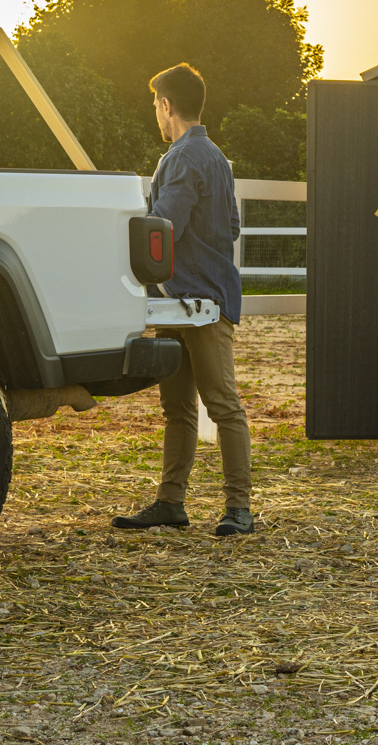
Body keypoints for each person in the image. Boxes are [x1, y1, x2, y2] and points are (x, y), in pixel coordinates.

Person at [113, 63, 254, 536]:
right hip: (189, 298)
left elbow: (161, 226)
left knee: (219, 403)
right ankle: (171, 503)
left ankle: (240, 509)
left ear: (167, 105)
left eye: (155, 104)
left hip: (197, 303)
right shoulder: (216, 157)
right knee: (182, 408)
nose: (154, 112)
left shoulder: (181, 157)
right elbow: (231, 227)